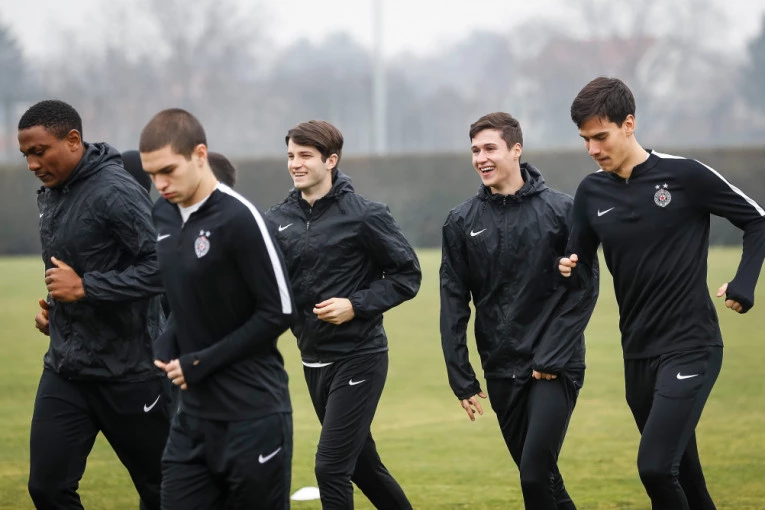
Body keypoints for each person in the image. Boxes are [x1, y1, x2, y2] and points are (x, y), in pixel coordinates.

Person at [559, 77, 765, 509]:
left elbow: (757, 220)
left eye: (601, 137)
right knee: (686, 479)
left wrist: (744, 283)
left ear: (629, 124)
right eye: (585, 140)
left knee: (654, 468)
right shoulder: (591, 192)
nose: (593, 149)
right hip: (636, 353)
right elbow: (578, 267)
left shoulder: (684, 175)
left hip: (691, 345)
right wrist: (568, 268)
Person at [439, 112, 598, 510]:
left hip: (554, 366)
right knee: (546, 482)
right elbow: (453, 303)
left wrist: (552, 355)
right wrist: (461, 376)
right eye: (475, 150)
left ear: (516, 149)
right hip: (501, 369)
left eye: (489, 148)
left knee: (533, 477)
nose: (481, 158)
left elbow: (584, 289)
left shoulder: (562, 210)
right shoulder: (460, 221)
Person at [139, 108, 294, 510]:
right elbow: (185, 299)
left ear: (200, 155)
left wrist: (201, 362)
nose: (160, 184)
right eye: (152, 175)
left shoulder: (240, 218)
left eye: (168, 171)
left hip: (252, 414)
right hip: (191, 418)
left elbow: (279, 311)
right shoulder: (162, 215)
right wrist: (167, 342)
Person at [19, 99, 170, 510]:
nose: (32, 164)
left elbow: (164, 268)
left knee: (163, 491)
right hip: (66, 369)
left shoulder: (115, 190)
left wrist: (86, 288)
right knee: (46, 488)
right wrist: (57, 312)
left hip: (130, 372)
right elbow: (78, 265)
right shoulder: (54, 191)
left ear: (73, 140)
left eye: (39, 151)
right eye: (26, 154)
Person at [266, 120, 421, 509]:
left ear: (330, 160)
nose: (295, 164)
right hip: (312, 360)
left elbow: (407, 275)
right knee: (364, 468)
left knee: (331, 468)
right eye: (290, 155)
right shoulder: (276, 220)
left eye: (305, 155)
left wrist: (355, 305)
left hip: (360, 356)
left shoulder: (365, 215)